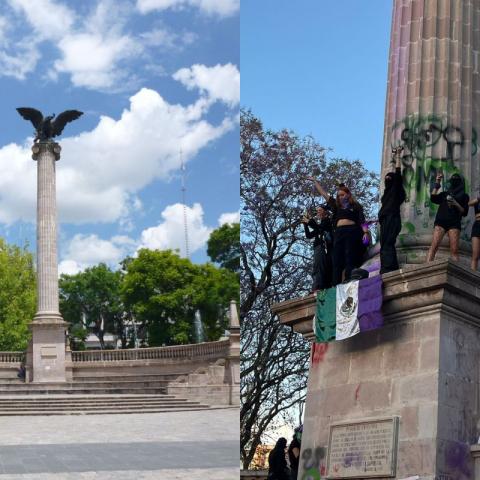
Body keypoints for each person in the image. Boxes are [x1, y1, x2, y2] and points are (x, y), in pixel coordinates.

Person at [307, 178, 368, 285]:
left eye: (342, 194)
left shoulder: (356, 206)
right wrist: (315, 182)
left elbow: (362, 221)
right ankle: (335, 283)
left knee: (350, 255)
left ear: (348, 195)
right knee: (337, 258)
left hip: (352, 232)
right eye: (339, 195)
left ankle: (350, 278)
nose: (340, 197)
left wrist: (366, 232)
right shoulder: (336, 206)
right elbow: (324, 195)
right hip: (339, 233)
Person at [426, 172, 469, 262]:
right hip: (441, 221)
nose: (454, 181)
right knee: (434, 246)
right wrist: (437, 182)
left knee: (454, 250)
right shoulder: (445, 194)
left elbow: (464, 212)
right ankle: (425, 270)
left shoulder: (465, 196)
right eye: (453, 179)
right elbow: (433, 198)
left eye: (456, 179)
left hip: (454, 223)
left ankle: (456, 275)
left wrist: (455, 203)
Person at [378, 147, 406, 273]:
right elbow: (391, 174)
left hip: (392, 218)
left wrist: (398, 156)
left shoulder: (396, 189)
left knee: (388, 243)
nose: (387, 178)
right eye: (386, 178)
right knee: (384, 245)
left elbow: (398, 173)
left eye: (390, 178)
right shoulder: (386, 193)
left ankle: (388, 268)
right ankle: (388, 266)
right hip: (385, 219)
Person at [302, 205, 333, 291]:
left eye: (320, 210)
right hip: (317, 247)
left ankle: (318, 286)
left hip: (323, 247)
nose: (318, 212)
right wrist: (305, 224)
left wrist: (309, 221)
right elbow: (309, 235)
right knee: (317, 266)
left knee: (319, 267)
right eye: (317, 210)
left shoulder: (327, 221)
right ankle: (317, 285)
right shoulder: (319, 225)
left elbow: (320, 228)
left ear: (325, 212)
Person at [468, 196, 480, 270]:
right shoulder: (477, 200)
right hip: (477, 225)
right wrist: (478, 199)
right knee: (475, 255)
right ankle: (472, 276)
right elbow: (469, 203)